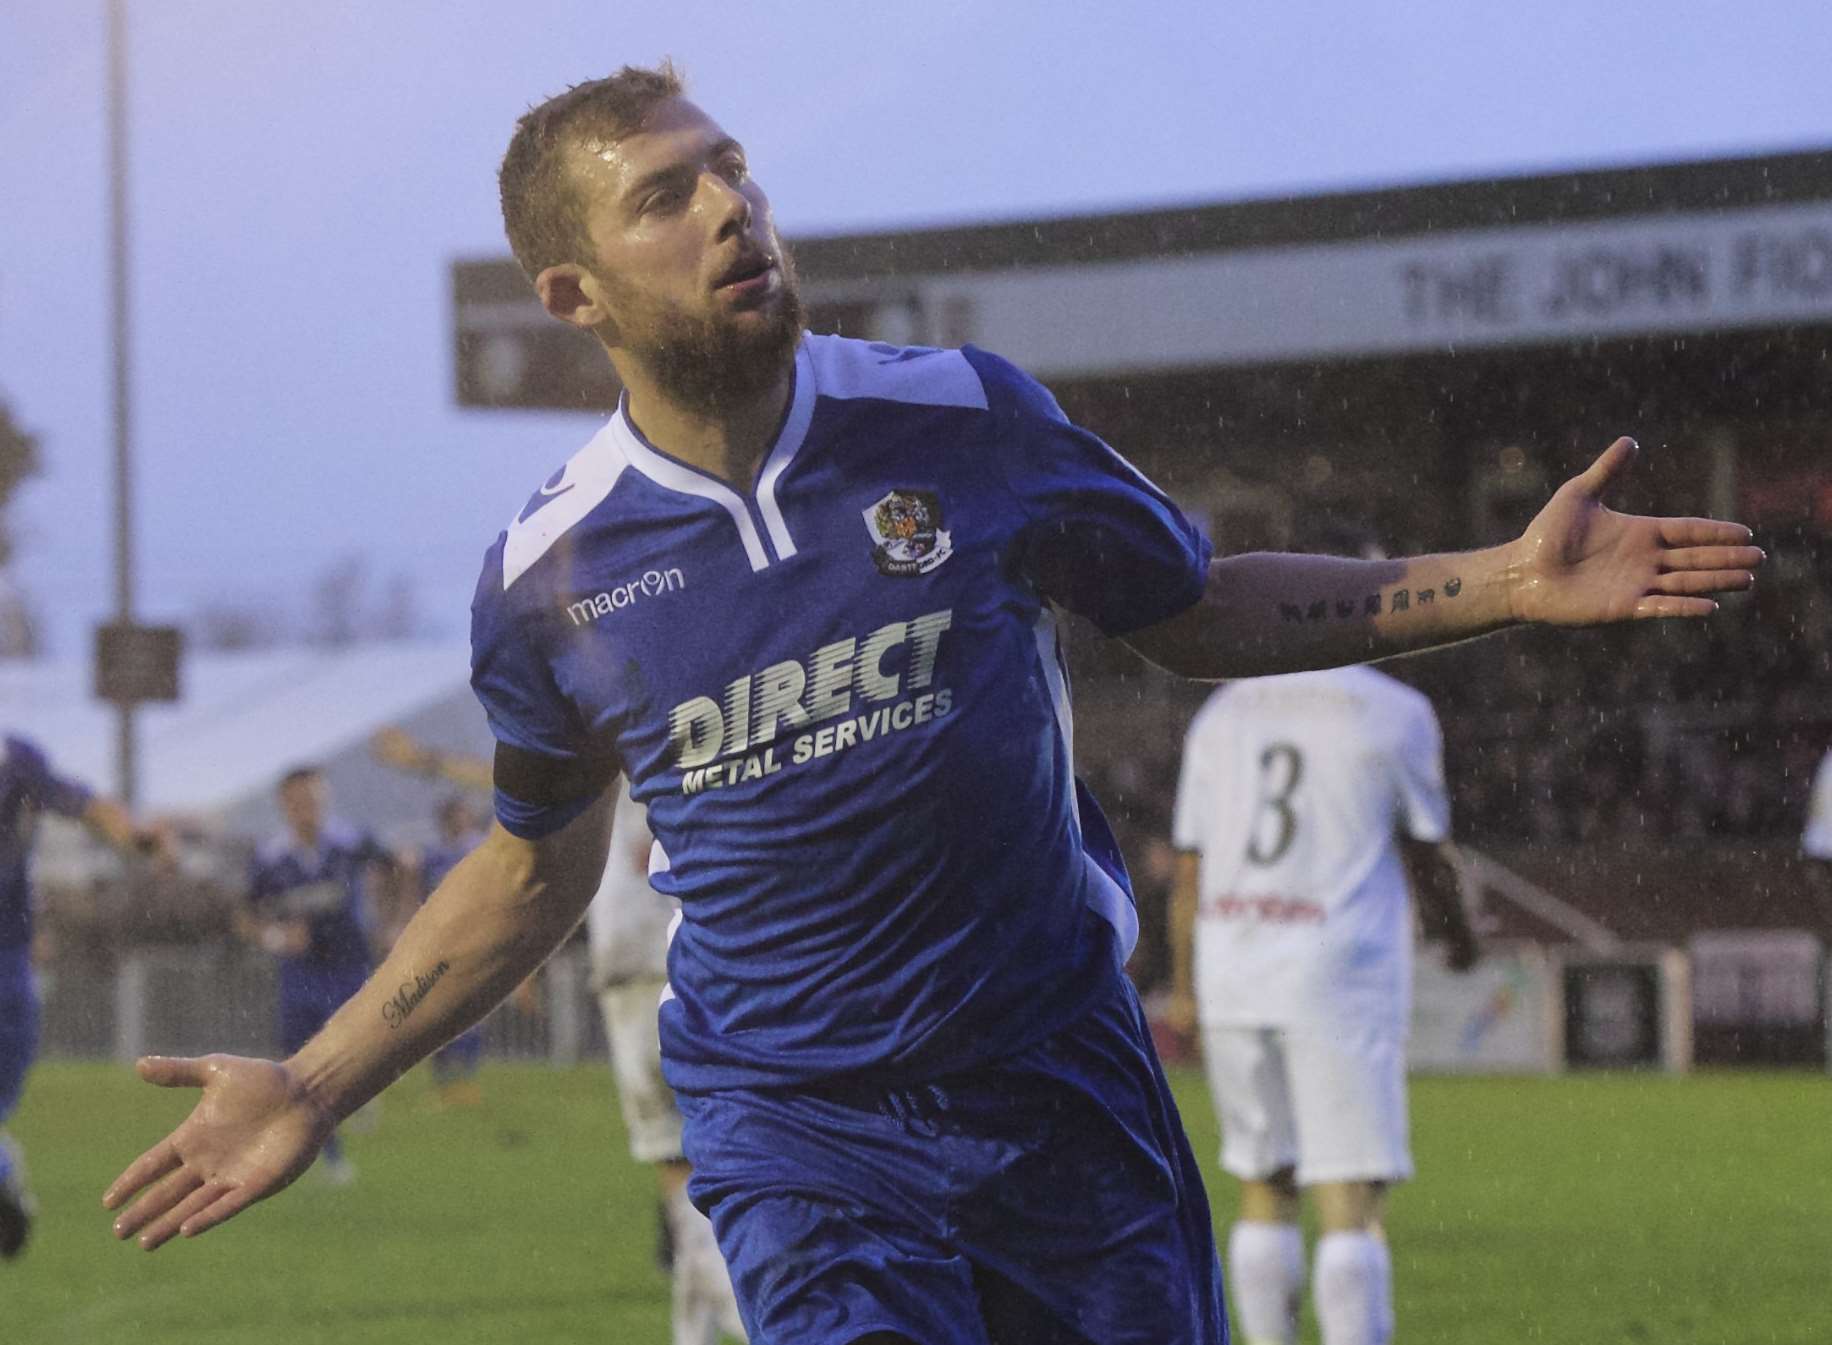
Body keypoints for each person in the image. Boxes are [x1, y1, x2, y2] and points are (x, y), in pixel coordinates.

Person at [102, 63, 1763, 1345]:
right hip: (794, 1121)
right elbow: (531, 866)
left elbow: (1189, 610)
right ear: (573, 296)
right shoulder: (550, 579)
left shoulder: (962, 421)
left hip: (1059, 1083)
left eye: (733, 168)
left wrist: (1503, 581)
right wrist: (313, 1084)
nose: (730, 210)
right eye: (666, 198)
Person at [1164, 558, 1480, 1345]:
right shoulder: (1393, 710)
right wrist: (1459, 933)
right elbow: (1429, 851)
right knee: (1348, 1200)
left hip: (1235, 962)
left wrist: (1185, 983)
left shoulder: (1224, 712)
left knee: (1263, 1186)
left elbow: (1191, 869)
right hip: (1337, 969)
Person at [374, 726, 745, 1343]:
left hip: (641, 966)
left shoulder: (623, 734)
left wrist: (429, 761)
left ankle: (744, 1313)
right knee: (701, 1155)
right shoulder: (700, 740)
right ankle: (696, 1328)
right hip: (696, 960)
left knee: (677, 1158)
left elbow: (535, 775)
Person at [0, 733, 164, 1258]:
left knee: (7, 1077)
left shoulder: (14, 759)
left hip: (8, 951)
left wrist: (135, 836)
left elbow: (82, 803)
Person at [236, 765, 396, 1185]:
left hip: (349, 965)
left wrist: (396, 921)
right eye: (298, 800)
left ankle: (359, 1093)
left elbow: (401, 867)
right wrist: (275, 936)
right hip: (299, 973)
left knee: (354, 1047)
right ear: (284, 805)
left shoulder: (352, 843)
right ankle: (330, 1157)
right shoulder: (271, 858)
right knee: (302, 1070)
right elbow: (245, 917)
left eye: (314, 799)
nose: (307, 808)